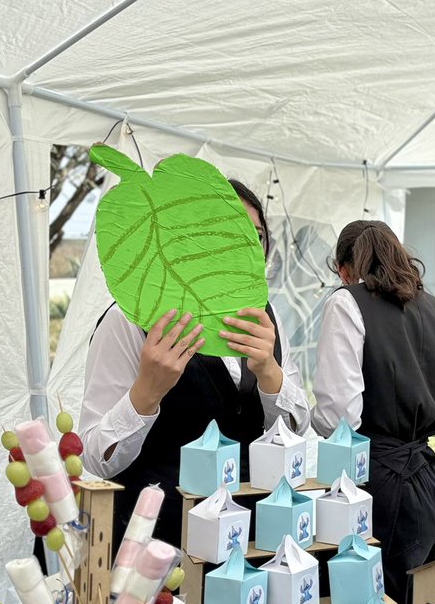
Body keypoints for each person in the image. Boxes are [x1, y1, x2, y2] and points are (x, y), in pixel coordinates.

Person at [80, 180, 311, 551]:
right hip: (160, 545)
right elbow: (95, 458)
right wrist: (147, 392)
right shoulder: (130, 320)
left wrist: (269, 372)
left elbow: (296, 432)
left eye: (255, 236)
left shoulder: (265, 317)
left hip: (249, 540)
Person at [313, 220, 435, 604]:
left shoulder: (346, 302)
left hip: (375, 482)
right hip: (431, 482)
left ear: (343, 269)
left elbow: (339, 417)